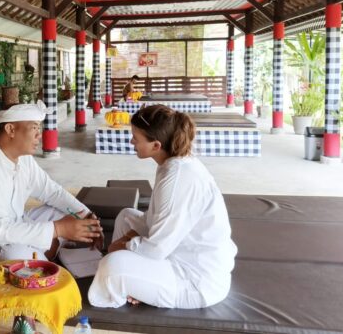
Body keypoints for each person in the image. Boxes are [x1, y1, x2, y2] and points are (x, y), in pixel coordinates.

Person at [0, 100, 103, 294]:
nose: (39, 135)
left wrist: (85, 216)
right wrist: (59, 229)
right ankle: (45, 254)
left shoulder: (23, 159)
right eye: (34, 128)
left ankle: (44, 253)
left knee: (61, 211)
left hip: (11, 228)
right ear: (11, 129)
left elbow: (52, 192)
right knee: (16, 254)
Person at [88, 104, 237, 309]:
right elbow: (156, 222)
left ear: (156, 145)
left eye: (136, 138)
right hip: (175, 251)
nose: (131, 141)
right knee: (125, 216)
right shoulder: (172, 163)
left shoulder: (177, 178)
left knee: (111, 265)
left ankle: (130, 287)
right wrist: (127, 241)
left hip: (194, 280)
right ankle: (139, 282)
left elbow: (156, 248)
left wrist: (122, 246)